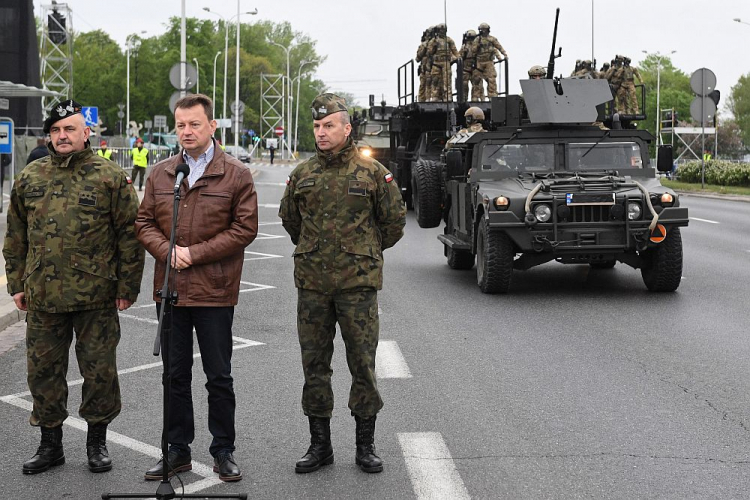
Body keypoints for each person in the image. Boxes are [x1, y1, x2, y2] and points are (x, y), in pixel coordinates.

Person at [3, 99, 145, 475]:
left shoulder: (110, 176)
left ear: (87, 133)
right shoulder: (31, 177)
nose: (62, 136)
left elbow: (129, 236)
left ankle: (96, 442)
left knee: (99, 371)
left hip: (96, 296)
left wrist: (127, 286)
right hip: (43, 295)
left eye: (69, 129)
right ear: (48, 135)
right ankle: (50, 445)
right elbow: (15, 235)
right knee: (43, 372)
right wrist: (16, 282)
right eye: (55, 130)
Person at [279, 93, 406, 474]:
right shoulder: (303, 174)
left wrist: (363, 250)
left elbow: (394, 223)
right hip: (313, 286)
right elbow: (291, 221)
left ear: (346, 128)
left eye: (328, 125)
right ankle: (320, 446)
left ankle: (365, 446)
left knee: (362, 365)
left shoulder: (371, 173)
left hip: (357, 286)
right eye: (317, 126)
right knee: (314, 366)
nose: (321, 132)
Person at [136, 93, 258, 483]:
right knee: (174, 376)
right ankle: (177, 452)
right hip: (170, 289)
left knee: (218, 376)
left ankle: (223, 451)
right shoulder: (161, 173)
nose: (186, 132)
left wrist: (194, 254)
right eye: (181, 125)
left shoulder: (236, 173)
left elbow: (244, 229)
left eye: (194, 124)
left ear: (211, 127)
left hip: (214, 292)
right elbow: (143, 223)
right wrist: (168, 251)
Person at [472, 22, 507, 98]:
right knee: (477, 80)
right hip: (479, 62)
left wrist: (504, 54)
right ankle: (476, 97)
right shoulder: (477, 40)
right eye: (482, 29)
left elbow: (499, 47)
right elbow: (473, 51)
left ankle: (492, 97)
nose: (483, 31)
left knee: (491, 79)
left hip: (489, 62)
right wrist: (478, 45)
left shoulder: (492, 39)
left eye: (485, 29)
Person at [427, 24, 458, 101]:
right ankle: (435, 96)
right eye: (440, 30)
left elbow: (455, 51)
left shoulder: (449, 40)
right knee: (435, 80)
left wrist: (457, 59)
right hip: (436, 63)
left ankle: (447, 96)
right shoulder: (433, 41)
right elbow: (429, 52)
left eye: (443, 30)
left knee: (447, 81)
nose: (442, 31)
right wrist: (434, 44)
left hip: (446, 62)